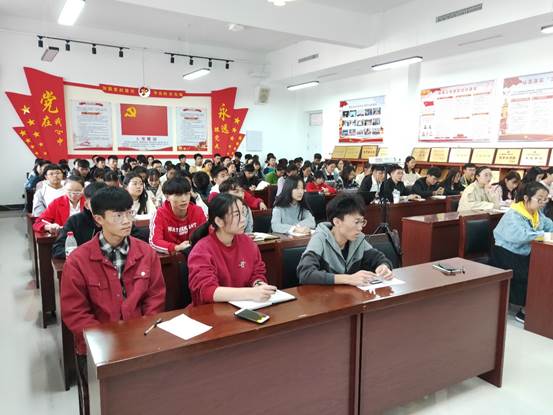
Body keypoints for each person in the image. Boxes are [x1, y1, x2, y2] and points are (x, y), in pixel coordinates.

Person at [61, 187, 165, 413]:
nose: (127, 221)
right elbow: (75, 312)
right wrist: (104, 343)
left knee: (142, 400)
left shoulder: (146, 253)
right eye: (118, 215)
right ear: (98, 219)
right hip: (96, 349)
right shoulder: (78, 260)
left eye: (129, 213)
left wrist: (143, 332)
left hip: (140, 341)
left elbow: (155, 296)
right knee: (100, 405)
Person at [188, 193, 276, 306]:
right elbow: (206, 291)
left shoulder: (247, 242)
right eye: (237, 215)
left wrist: (258, 284)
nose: (243, 219)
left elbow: (257, 273)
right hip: (212, 311)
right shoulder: (202, 250)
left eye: (243, 213)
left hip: (244, 306)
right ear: (219, 221)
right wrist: (251, 293)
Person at [297, 194, 393, 285]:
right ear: (337, 222)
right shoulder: (320, 238)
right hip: (324, 295)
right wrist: (348, 279)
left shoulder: (358, 238)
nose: (360, 228)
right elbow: (305, 273)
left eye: (362, 222)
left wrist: (384, 267)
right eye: (356, 222)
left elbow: (379, 258)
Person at [492, 182, 553, 323]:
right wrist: (545, 235)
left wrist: (548, 233)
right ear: (526, 198)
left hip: (524, 253)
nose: (543, 203)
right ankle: (525, 311)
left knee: (545, 271)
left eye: (545, 199)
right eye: (539, 199)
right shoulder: (513, 214)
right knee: (534, 276)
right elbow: (522, 236)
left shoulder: (536, 213)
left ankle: (540, 306)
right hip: (506, 253)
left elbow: (549, 225)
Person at [52, 182, 148, 258]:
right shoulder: (75, 221)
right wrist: (86, 254)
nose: (102, 206)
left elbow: (138, 237)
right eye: (95, 203)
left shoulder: (121, 219)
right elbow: (58, 249)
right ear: (87, 205)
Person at [149, 178, 207, 254]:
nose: (184, 199)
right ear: (167, 197)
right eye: (178, 195)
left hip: (196, 254)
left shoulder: (198, 211)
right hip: (171, 257)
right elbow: (154, 242)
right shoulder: (159, 214)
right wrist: (176, 247)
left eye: (187, 194)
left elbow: (206, 236)